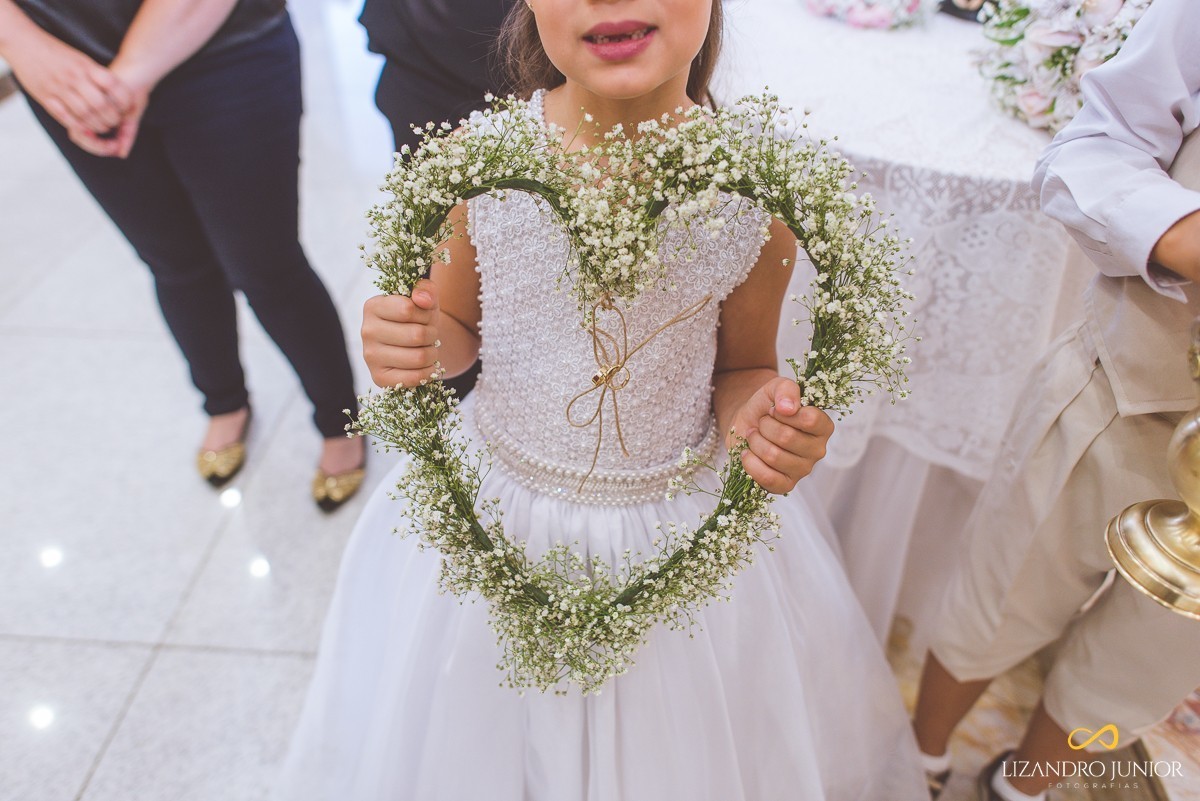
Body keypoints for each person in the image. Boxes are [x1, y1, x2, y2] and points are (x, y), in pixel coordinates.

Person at [274, 1, 928, 798]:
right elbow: (456, 323)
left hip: (674, 532)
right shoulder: (478, 163)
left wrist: (760, 416)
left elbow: (743, 367)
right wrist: (413, 341)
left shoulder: (754, 194)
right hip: (496, 509)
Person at [910, 0, 1200, 798]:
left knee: (1135, 674)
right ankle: (920, 758)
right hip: (1127, 390)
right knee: (998, 600)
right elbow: (1094, 149)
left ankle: (1025, 783)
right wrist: (1182, 236)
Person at [0, 0, 366, 510]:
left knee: (267, 267)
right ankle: (223, 402)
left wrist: (126, 81)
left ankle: (340, 421)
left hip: (223, 51)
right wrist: (19, 42)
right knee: (173, 263)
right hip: (66, 68)